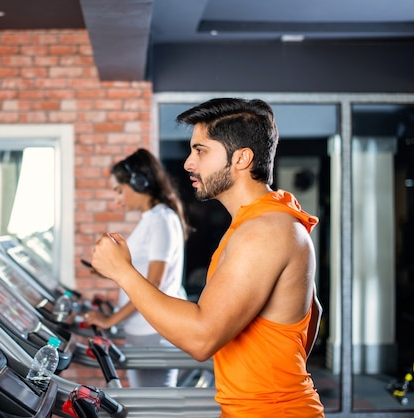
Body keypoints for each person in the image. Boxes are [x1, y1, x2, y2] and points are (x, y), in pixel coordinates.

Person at [90, 98, 324, 416]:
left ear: (241, 158)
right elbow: (314, 312)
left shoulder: (265, 230)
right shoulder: (263, 220)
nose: (188, 163)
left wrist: (123, 271)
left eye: (201, 151)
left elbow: (202, 340)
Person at [84, 148, 188, 388]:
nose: (118, 199)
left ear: (139, 183)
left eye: (120, 190)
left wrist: (110, 320)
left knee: (155, 409)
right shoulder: (150, 219)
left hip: (153, 329)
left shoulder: (161, 219)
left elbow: (153, 284)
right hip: (142, 328)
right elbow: (138, 272)